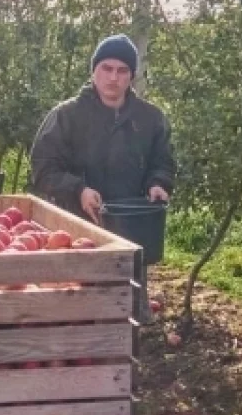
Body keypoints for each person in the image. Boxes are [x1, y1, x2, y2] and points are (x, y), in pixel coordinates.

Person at [29, 34, 174, 322]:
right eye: (106, 68)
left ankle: (126, 364)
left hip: (130, 232)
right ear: (93, 71)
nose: (113, 78)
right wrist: (78, 189)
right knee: (78, 313)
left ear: (131, 76)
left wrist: (158, 184)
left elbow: (163, 162)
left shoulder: (150, 119)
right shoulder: (67, 116)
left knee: (126, 316)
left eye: (122, 71)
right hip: (78, 230)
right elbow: (43, 169)